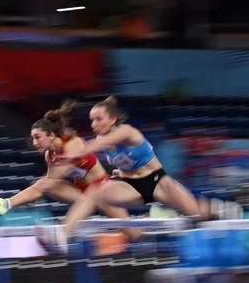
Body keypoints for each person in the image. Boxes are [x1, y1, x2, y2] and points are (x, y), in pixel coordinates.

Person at [49, 96, 206, 253]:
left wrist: (74, 154)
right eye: (92, 120)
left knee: (197, 213)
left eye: (98, 119)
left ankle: (219, 211)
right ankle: (64, 234)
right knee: (95, 191)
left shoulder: (126, 131)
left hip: (158, 183)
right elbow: (125, 160)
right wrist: (122, 173)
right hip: (134, 188)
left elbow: (100, 144)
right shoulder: (101, 138)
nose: (94, 124)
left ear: (112, 120)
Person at [0, 100, 140, 241]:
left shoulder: (73, 143)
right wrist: (34, 193)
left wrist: (38, 188)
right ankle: (5, 203)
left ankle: (149, 232)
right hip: (82, 194)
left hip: (102, 190)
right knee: (44, 184)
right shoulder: (50, 155)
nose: (34, 142)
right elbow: (49, 183)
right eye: (32, 138)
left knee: (134, 235)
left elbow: (60, 173)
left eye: (37, 137)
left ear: (50, 135)